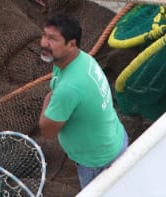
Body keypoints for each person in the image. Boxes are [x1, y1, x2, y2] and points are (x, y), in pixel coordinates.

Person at [38, 13, 129, 188]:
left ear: (71, 44)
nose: (44, 43)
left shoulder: (68, 89)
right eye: (44, 35)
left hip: (99, 162)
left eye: (52, 39)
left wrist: (47, 100)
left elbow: (47, 131)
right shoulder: (83, 60)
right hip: (115, 139)